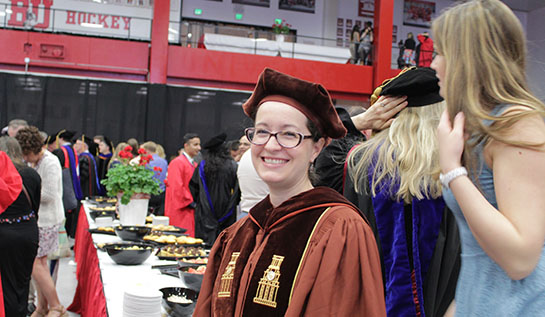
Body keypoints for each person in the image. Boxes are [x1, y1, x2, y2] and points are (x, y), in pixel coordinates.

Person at [194, 68, 386, 316]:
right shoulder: (236, 235)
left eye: (289, 134)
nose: (272, 145)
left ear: (317, 148)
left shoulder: (341, 230)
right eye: (262, 132)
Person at [431, 0, 545, 315]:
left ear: (467, 58)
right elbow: (477, 251)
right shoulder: (478, 127)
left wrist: (453, 171)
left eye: (440, 53)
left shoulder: (517, 124)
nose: (434, 65)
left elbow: (520, 259)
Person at [346, 67, 460, 317]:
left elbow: (314, 140)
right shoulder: (457, 167)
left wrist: (357, 122)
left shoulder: (357, 163)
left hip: (368, 303)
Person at [15, 127, 67, 317]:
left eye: (26, 154)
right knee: (40, 265)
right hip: (39, 220)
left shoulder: (50, 162)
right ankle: (42, 307)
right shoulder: (34, 163)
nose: (25, 158)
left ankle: (56, 306)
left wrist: (23, 193)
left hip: (48, 220)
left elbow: (49, 195)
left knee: (36, 264)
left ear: (34, 149)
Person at [0, 138, 40, 317]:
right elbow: (35, 207)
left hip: (4, 233)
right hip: (28, 231)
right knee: (23, 282)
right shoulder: (31, 174)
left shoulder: (2, 176)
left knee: (6, 285)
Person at [189, 133, 240, 245]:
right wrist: (232, 205)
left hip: (205, 212)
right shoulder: (233, 166)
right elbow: (238, 191)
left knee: (204, 248)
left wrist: (200, 202)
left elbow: (193, 187)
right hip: (227, 210)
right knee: (224, 247)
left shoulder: (203, 166)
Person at [165, 133, 201, 236]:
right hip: (180, 209)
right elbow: (176, 187)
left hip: (188, 209)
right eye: (195, 144)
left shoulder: (193, 164)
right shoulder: (177, 163)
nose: (199, 148)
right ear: (186, 145)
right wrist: (189, 201)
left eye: (199, 144)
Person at [73, 134, 102, 198]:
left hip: (85, 190)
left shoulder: (85, 158)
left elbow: (83, 176)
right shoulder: (89, 157)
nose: (75, 146)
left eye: (78, 144)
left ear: (84, 146)